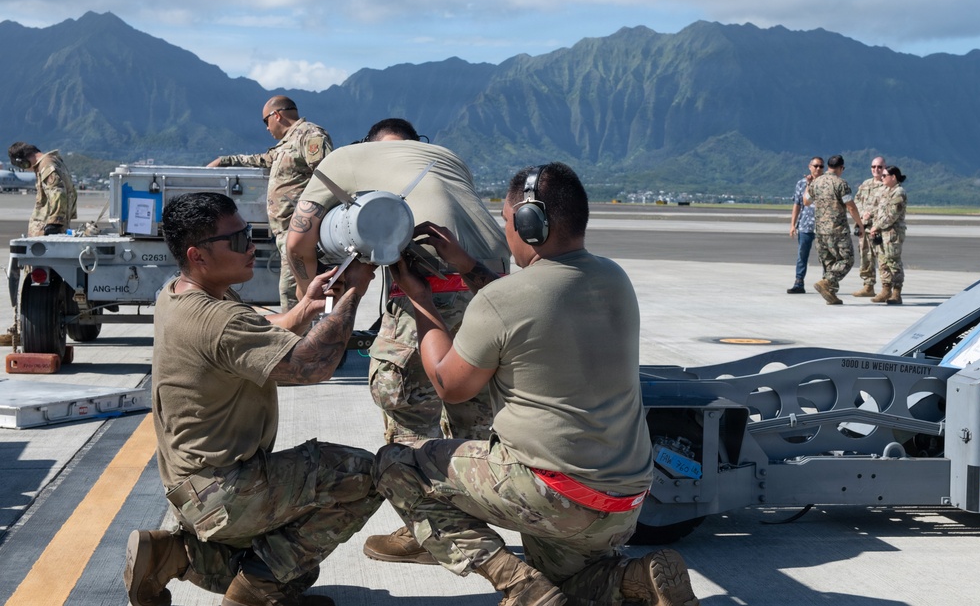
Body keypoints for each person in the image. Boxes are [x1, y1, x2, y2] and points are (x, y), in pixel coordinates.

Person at [372, 163, 700, 606]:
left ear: (530, 225)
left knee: (397, 464)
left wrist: (422, 304)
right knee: (567, 585)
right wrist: (468, 267)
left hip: (551, 494)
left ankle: (517, 586)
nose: (506, 230)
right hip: (624, 501)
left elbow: (450, 384)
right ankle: (637, 577)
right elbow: (531, 303)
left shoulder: (501, 301)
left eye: (507, 220)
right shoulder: (615, 279)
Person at [124, 192, 382, 606]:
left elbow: (258, 334)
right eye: (238, 239)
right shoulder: (219, 319)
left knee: (298, 569)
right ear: (198, 255)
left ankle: (174, 554)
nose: (252, 246)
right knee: (366, 477)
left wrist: (306, 308)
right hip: (223, 491)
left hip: (193, 486)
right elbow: (311, 366)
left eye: (249, 233)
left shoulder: (179, 294)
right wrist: (353, 294)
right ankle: (253, 597)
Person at [285, 118, 510, 564]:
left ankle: (429, 533)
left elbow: (296, 242)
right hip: (493, 286)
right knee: (473, 408)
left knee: (405, 401)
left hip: (431, 289)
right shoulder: (444, 158)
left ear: (367, 146)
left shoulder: (344, 160)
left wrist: (311, 300)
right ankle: (471, 521)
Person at [208, 96, 333, 311]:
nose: (266, 128)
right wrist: (224, 161)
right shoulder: (286, 144)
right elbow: (260, 159)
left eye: (265, 121)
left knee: (296, 295)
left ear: (277, 115)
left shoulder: (310, 135)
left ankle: (301, 341)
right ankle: (302, 339)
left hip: (302, 233)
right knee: (293, 294)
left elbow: (327, 177)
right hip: (288, 235)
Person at [2, 142, 79, 344]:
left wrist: (54, 223)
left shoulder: (47, 166)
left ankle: (22, 328)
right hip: (49, 230)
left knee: (33, 285)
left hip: (45, 232)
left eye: (20, 166)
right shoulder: (55, 161)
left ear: (23, 159)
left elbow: (58, 194)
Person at [805, 155, 863, 305]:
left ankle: (831, 295)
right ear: (841, 168)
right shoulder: (841, 184)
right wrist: (860, 224)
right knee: (847, 260)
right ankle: (827, 282)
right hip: (837, 230)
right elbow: (850, 206)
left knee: (829, 263)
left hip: (820, 231)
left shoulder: (816, 183)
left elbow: (806, 201)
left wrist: (809, 184)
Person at [869, 165, 908, 305]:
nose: (882, 177)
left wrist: (877, 226)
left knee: (893, 262)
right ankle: (886, 290)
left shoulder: (899, 193)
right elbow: (877, 210)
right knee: (883, 262)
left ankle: (896, 293)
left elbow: (892, 215)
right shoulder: (885, 191)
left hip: (892, 234)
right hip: (881, 233)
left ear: (893, 177)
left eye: (885, 175)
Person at [787, 157, 823, 293]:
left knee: (824, 255)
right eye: (815, 166)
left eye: (821, 166)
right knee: (802, 254)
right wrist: (792, 225)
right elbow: (797, 204)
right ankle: (799, 282)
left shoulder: (826, 183)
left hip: (822, 226)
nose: (818, 169)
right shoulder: (801, 183)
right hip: (805, 225)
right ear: (810, 167)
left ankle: (827, 283)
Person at [851, 156, 886, 297]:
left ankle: (886, 288)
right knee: (865, 256)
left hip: (879, 228)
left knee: (883, 258)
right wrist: (862, 213)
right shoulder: (865, 184)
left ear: (884, 168)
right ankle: (868, 286)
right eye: (873, 167)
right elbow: (856, 201)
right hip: (864, 227)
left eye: (879, 167)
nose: (876, 170)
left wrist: (870, 214)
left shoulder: (887, 185)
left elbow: (886, 206)